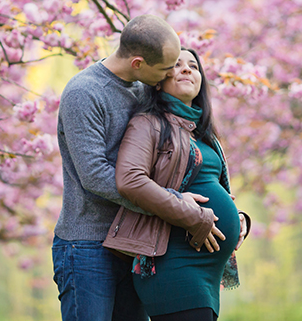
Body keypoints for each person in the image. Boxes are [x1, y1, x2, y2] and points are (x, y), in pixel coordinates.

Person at [53, 14, 187, 321]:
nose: (170, 75)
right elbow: (95, 176)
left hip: (133, 242)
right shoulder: (84, 93)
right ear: (138, 63)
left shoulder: (143, 88)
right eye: (166, 69)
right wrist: (165, 204)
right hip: (88, 245)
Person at [103, 48, 251, 321]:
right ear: (158, 80)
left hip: (205, 270)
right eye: (177, 65)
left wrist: (236, 217)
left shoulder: (204, 133)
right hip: (173, 263)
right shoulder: (148, 124)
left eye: (193, 66)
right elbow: (130, 181)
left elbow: (210, 186)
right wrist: (194, 217)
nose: (186, 69)